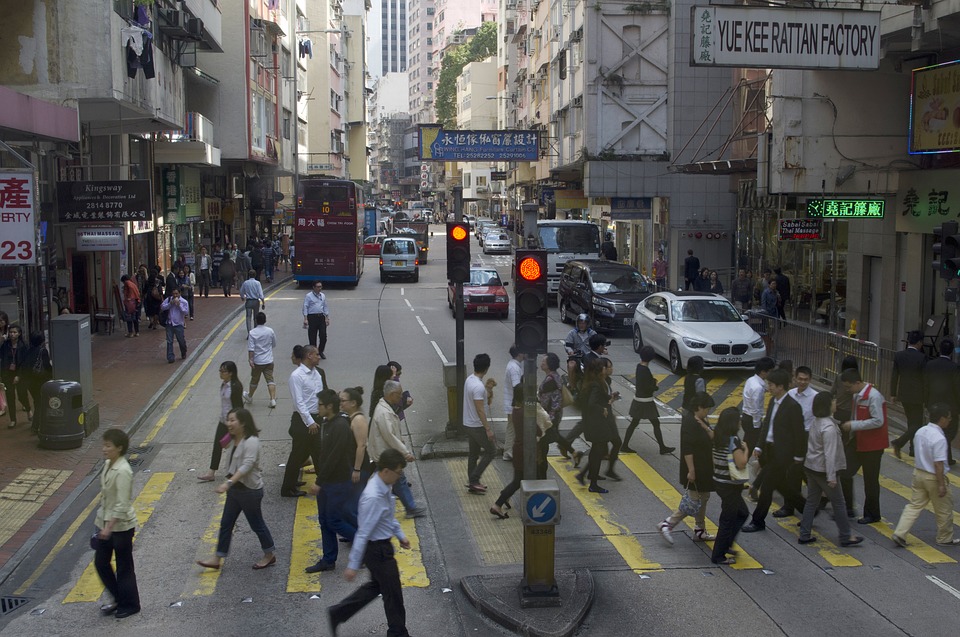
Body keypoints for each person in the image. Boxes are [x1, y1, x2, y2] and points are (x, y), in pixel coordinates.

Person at [327, 448, 412, 637]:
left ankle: (338, 612)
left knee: (377, 587)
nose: (399, 476)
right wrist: (353, 565)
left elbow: (388, 516)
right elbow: (363, 532)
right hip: (377, 551)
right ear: (386, 471)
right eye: (398, 472)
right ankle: (398, 633)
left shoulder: (384, 485)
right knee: (393, 594)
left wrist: (400, 535)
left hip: (381, 547)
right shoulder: (373, 496)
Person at [196, 408, 276, 572]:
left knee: (257, 524)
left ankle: (269, 555)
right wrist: (228, 434)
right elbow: (221, 444)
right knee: (226, 523)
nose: (229, 423)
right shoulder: (233, 439)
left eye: (233, 420)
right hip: (235, 490)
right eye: (228, 420)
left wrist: (228, 483)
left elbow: (247, 466)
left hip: (249, 491)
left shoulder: (252, 441)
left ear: (243, 423)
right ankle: (217, 557)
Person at [742, 368, 807, 532]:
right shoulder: (772, 402)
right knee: (782, 485)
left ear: (780, 386)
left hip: (783, 454)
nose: (768, 387)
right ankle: (807, 508)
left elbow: (799, 433)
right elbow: (766, 426)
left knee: (767, 487)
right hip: (769, 451)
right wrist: (759, 445)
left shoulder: (793, 406)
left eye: (770, 384)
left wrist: (799, 456)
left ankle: (758, 521)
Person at [797, 391, 863, 547]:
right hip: (823, 470)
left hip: (811, 467)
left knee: (812, 501)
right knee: (839, 503)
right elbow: (830, 454)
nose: (836, 403)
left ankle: (804, 534)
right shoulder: (829, 428)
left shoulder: (817, 422)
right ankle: (845, 536)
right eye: (833, 400)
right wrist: (831, 476)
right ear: (827, 406)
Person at [305, 389, 359, 573]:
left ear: (329, 406)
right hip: (327, 481)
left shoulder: (340, 426)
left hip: (337, 481)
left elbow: (334, 457)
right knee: (324, 521)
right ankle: (329, 560)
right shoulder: (327, 423)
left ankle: (365, 545)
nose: (317, 407)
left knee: (334, 521)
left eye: (320, 405)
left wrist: (319, 481)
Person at [892, 403, 960, 547]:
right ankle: (945, 538)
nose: (950, 420)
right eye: (948, 418)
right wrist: (941, 484)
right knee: (944, 510)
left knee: (914, 506)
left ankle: (900, 533)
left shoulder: (921, 431)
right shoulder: (940, 438)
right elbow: (938, 464)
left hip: (918, 474)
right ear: (941, 419)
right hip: (933, 477)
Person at [657, 391, 716, 544]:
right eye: (707, 408)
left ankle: (700, 529)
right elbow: (687, 449)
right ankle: (668, 523)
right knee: (693, 500)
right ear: (699, 407)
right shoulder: (689, 422)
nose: (708, 411)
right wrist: (691, 470)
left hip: (704, 467)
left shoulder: (701, 420)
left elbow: (713, 438)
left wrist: (705, 426)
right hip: (696, 467)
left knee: (702, 498)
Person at [94, 428, 141, 618]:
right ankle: (119, 599)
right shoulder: (107, 464)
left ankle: (131, 604)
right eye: (104, 445)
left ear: (119, 448)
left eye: (108, 446)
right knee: (101, 563)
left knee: (124, 567)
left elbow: (122, 504)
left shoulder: (123, 470)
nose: (104, 449)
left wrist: (108, 527)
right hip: (104, 522)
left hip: (121, 527)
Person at [368, 380, 426, 518]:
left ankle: (410, 508)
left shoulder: (386, 408)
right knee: (391, 482)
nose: (401, 397)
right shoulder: (384, 413)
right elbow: (390, 436)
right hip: (386, 455)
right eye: (399, 395)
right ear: (392, 394)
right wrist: (405, 453)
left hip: (386, 454)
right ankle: (409, 508)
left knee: (397, 481)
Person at [838, 368, 888, 525]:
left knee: (870, 480)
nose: (847, 390)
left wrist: (854, 425)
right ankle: (848, 507)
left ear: (857, 383)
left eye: (848, 386)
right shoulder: (856, 395)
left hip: (873, 445)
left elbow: (878, 420)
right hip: (858, 441)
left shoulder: (874, 396)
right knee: (844, 472)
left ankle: (872, 514)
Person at [281, 345, 326, 497]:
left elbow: (319, 396)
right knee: (298, 455)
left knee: (317, 452)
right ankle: (287, 488)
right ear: (309, 356)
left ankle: (323, 483)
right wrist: (310, 422)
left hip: (316, 418)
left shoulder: (317, 374)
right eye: (317, 354)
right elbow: (299, 402)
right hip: (303, 421)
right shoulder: (297, 376)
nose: (319, 357)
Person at [575, 358, 620, 493]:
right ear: (599, 370)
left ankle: (587, 477)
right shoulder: (595, 384)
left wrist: (609, 398)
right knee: (597, 453)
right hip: (596, 424)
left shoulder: (592, 382)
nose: (606, 369)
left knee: (596, 452)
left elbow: (598, 399)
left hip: (593, 423)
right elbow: (592, 404)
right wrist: (603, 409)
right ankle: (593, 484)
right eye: (604, 367)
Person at [711, 407, 749, 564]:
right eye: (738, 420)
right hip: (730, 485)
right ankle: (718, 555)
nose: (740, 422)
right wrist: (745, 449)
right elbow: (741, 463)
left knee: (742, 513)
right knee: (728, 519)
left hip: (719, 481)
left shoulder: (717, 435)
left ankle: (726, 544)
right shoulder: (733, 440)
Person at [198, 361, 244, 482]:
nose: (221, 373)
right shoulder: (224, 385)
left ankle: (248, 467)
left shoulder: (236, 387)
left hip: (233, 423)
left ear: (231, 373)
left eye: (223, 371)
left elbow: (239, 406)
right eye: (220, 370)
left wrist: (237, 423)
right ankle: (211, 473)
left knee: (238, 446)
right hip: (223, 421)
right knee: (217, 445)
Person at [623, 345, 674, 455]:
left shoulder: (639, 367)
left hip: (638, 400)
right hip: (646, 401)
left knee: (634, 423)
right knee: (655, 423)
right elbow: (647, 387)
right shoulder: (645, 370)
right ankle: (662, 447)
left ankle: (625, 445)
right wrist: (655, 385)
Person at [890, 330, 928, 458]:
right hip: (917, 396)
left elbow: (894, 375)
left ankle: (913, 448)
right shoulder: (922, 358)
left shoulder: (899, 356)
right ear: (919, 343)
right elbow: (925, 379)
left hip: (904, 394)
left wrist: (892, 393)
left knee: (911, 422)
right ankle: (899, 442)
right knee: (917, 424)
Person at [741, 357, 775, 497]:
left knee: (748, 448)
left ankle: (742, 476)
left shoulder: (752, 380)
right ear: (763, 372)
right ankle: (742, 477)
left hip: (746, 417)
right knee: (752, 450)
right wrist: (758, 425)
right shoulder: (758, 388)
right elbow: (756, 408)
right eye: (770, 371)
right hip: (753, 420)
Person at [464, 353, 496, 494]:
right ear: (486, 368)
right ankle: (475, 479)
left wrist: (488, 390)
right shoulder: (478, 386)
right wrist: (488, 429)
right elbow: (480, 409)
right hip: (476, 425)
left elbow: (480, 400)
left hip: (468, 423)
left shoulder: (469, 380)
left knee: (474, 454)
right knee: (491, 451)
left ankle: (472, 482)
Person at [924, 339, 960, 466]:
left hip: (933, 403)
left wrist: (926, 402)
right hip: (950, 406)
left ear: (939, 349)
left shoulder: (930, 365)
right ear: (951, 352)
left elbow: (926, 385)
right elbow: (957, 388)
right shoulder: (954, 367)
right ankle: (944, 456)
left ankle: (941, 456)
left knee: (936, 429)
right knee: (950, 431)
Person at [833, 356, 861, 519]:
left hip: (843, 417)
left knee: (843, 464)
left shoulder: (840, 379)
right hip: (849, 418)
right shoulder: (856, 386)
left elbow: (832, 393)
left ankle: (845, 506)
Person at [537, 353, 577, 460]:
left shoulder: (550, 379)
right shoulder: (555, 375)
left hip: (550, 415)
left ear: (549, 365)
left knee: (543, 440)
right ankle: (573, 452)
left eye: (543, 362)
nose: (541, 363)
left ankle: (541, 464)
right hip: (555, 413)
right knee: (554, 436)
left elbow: (543, 399)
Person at [244, 312, 278, 408]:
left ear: (256, 321)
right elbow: (274, 344)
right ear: (265, 320)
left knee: (254, 380)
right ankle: (272, 399)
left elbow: (251, 348)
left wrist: (250, 360)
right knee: (270, 380)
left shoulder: (252, 332)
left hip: (257, 361)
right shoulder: (270, 331)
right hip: (269, 360)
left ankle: (250, 396)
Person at [0, 324, 30, 429]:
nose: (12, 334)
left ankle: (28, 408)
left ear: (19, 333)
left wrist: (19, 375)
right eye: (11, 332)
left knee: (22, 394)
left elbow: (25, 363)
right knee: (10, 396)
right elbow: (2, 360)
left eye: (15, 332)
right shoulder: (5, 345)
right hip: (8, 374)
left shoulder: (24, 346)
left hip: (20, 374)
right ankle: (13, 419)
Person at [23, 331, 52, 435]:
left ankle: (37, 425)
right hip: (40, 381)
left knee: (37, 401)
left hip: (30, 382)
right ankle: (36, 426)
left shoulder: (28, 350)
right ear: (42, 341)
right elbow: (47, 367)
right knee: (40, 403)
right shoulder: (43, 351)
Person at [502, 346, 524, 461]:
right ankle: (509, 452)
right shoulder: (515, 368)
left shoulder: (513, 365)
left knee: (512, 428)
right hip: (514, 404)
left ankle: (508, 451)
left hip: (511, 403)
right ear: (519, 353)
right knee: (513, 428)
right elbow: (517, 387)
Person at [160, 288, 189, 364]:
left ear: (180, 293)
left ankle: (183, 351)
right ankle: (170, 357)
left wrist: (179, 305)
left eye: (176, 294)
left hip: (179, 324)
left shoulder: (184, 302)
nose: (175, 295)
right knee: (169, 341)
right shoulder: (169, 299)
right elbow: (162, 307)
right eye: (173, 294)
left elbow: (186, 312)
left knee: (181, 340)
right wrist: (170, 303)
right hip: (169, 323)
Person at [303, 281, 331, 358]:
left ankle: (320, 350)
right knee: (312, 337)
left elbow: (325, 306)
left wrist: (327, 317)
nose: (320, 288)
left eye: (321, 287)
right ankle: (314, 353)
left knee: (323, 336)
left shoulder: (323, 296)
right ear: (314, 287)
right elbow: (305, 307)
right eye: (318, 287)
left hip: (321, 317)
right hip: (312, 317)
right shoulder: (308, 296)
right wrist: (305, 318)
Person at [238, 269, 265, 335]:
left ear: (249, 275)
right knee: (256, 317)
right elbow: (261, 294)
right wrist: (263, 302)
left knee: (248, 317)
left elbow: (241, 291)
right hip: (256, 301)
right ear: (255, 275)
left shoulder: (245, 283)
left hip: (249, 301)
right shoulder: (257, 283)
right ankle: (255, 332)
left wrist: (242, 297)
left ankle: (249, 333)